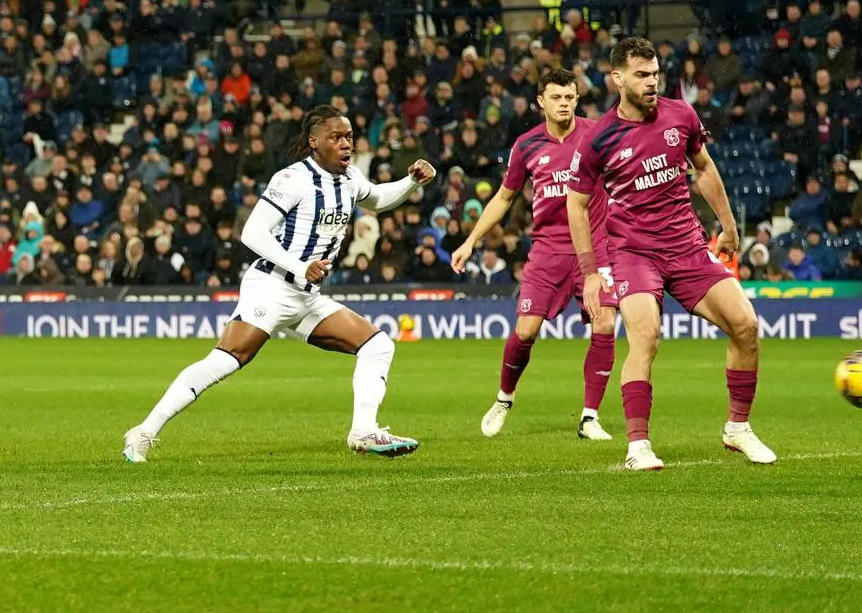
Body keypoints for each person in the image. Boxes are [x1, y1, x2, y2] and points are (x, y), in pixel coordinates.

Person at [123, 105, 435, 462]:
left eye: (348, 136)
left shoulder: (348, 179)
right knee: (228, 359)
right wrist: (301, 267)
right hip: (272, 286)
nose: (346, 144)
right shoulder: (293, 179)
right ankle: (143, 432)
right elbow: (252, 232)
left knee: (378, 346)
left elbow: (378, 200)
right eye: (336, 137)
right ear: (314, 142)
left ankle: (363, 431)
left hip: (306, 294)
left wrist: (412, 182)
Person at [567, 37, 775, 470]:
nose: (651, 82)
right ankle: (638, 446)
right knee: (646, 336)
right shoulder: (599, 138)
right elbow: (577, 203)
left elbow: (704, 168)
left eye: (656, 73)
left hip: (687, 246)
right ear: (617, 79)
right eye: (641, 75)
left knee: (746, 325)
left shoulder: (681, 114)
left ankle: (738, 429)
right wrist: (590, 272)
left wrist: (730, 227)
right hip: (633, 254)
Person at [451, 68, 617, 441]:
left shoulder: (596, 134)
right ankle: (504, 398)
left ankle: (590, 417)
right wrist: (471, 241)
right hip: (548, 250)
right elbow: (504, 198)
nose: (564, 104)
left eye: (570, 97)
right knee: (526, 331)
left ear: (577, 99)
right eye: (556, 97)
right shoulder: (526, 145)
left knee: (604, 323)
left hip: (595, 248)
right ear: (541, 101)